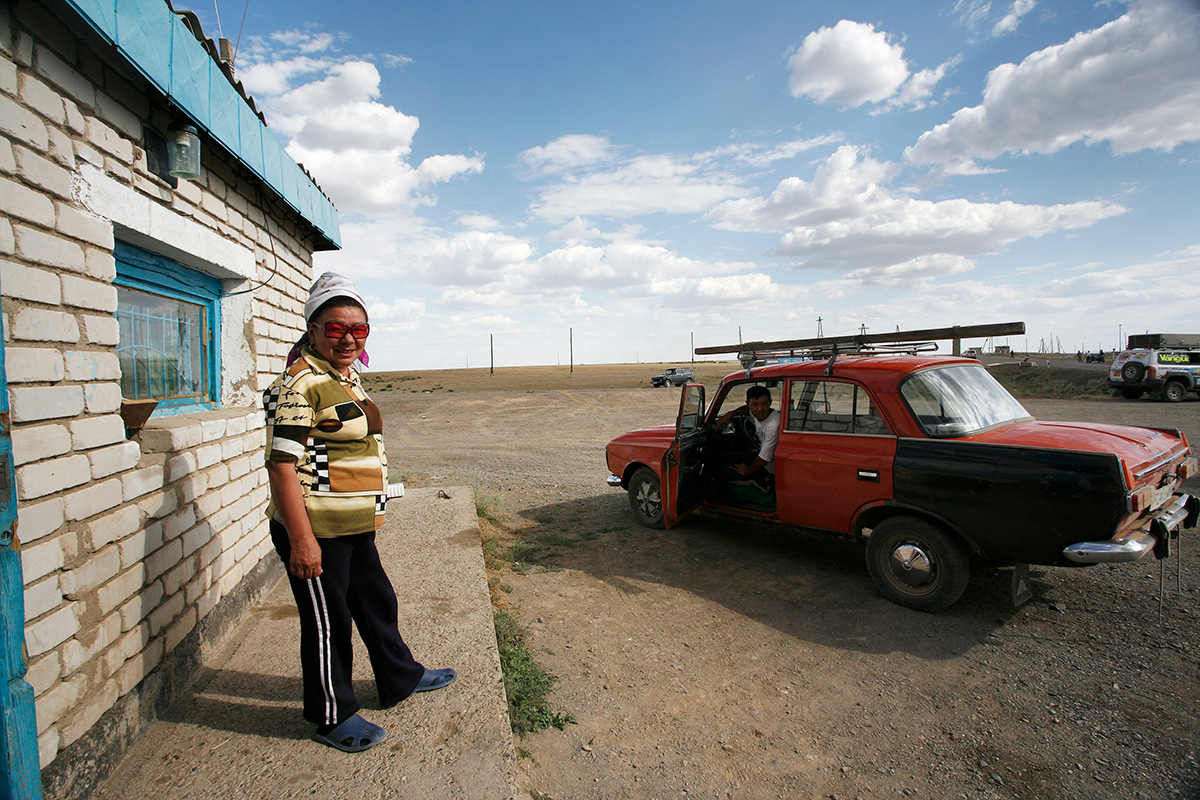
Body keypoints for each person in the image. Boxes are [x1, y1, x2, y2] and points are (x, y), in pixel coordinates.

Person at [263, 272, 455, 753]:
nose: (348, 338)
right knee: (328, 622)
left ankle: (399, 676)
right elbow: (281, 466)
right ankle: (333, 714)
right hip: (316, 528)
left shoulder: (344, 376)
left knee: (375, 600)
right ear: (312, 331)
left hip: (351, 523)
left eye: (359, 329)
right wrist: (302, 541)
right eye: (335, 328)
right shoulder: (301, 384)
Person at [714, 385, 780, 494]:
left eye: (764, 404)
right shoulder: (758, 413)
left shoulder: (773, 425)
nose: (760, 408)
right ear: (748, 404)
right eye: (755, 404)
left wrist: (746, 471)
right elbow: (746, 411)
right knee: (724, 456)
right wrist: (731, 414)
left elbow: (762, 461)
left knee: (725, 470)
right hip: (763, 458)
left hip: (769, 468)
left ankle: (763, 484)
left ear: (770, 403)